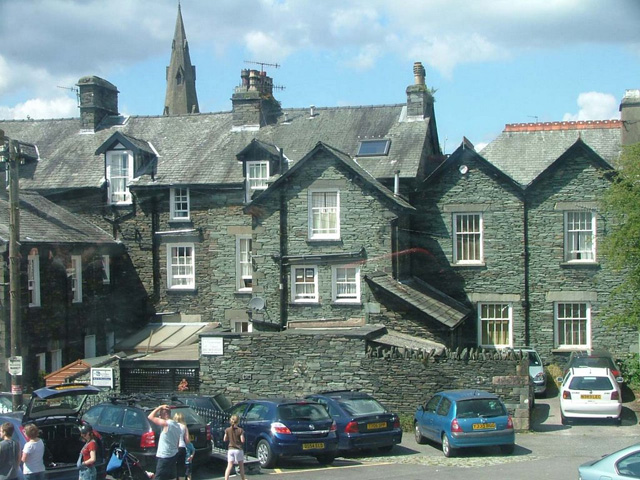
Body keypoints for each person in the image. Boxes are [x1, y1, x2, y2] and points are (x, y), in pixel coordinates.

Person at [147, 405, 181, 480]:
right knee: (171, 477)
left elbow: (150, 417)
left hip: (164, 456)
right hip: (173, 455)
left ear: (164, 414)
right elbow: (178, 443)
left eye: (160, 414)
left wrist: (159, 407)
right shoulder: (177, 426)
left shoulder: (166, 424)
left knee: (158, 477)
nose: (159, 416)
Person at [223, 415, 246, 480]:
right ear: (238, 421)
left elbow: (225, 439)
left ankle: (226, 479)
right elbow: (242, 440)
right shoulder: (240, 430)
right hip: (238, 449)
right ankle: (243, 478)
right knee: (241, 466)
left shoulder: (227, 430)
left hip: (230, 449)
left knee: (229, 466)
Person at [172, 412, 191, 480]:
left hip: (174, 448)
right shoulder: (184, 427)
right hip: (182, 447)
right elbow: (187, 440)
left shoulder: (172, 426)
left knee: (173, 466)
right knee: (181, 467)